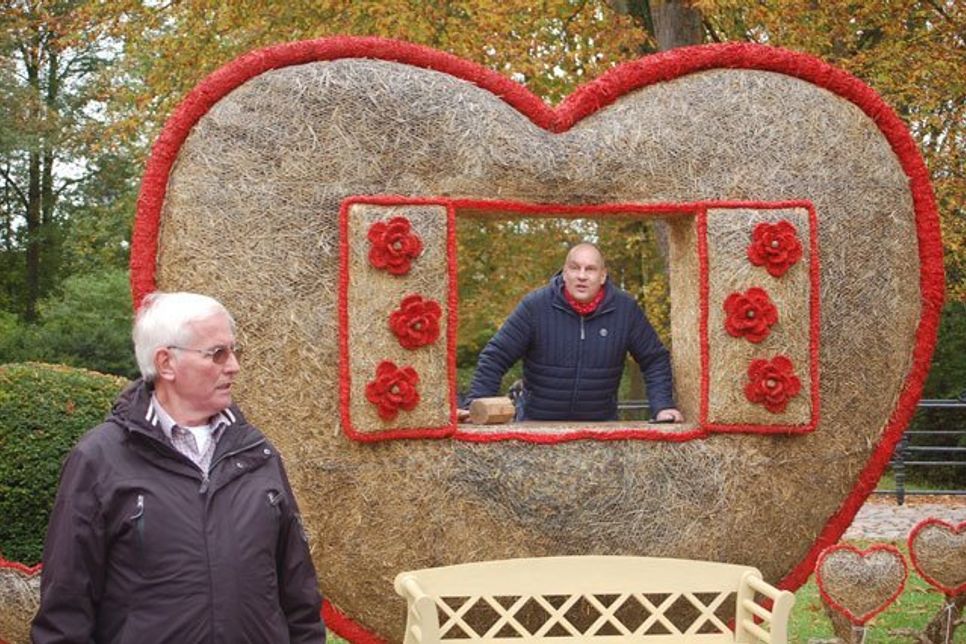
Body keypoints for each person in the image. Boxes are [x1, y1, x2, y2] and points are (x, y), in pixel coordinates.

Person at [31, 292, 326, 643]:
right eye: (217, 353)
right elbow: (65, 615)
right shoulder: (99, 460)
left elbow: (299, 598)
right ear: (166, 363)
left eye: (234, 351)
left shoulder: (258, 454)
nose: (234, 366)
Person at [462, 243, 684, 423]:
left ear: (603, 276)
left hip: (602, 428)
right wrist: (474, 406)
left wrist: (662, 407)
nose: (582, 275)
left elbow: (654, 359)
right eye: (575, 267)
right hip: (536, 426)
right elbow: (496, 356)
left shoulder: (626, 310)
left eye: (590, 269)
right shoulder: (535, 306)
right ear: (565, 272)